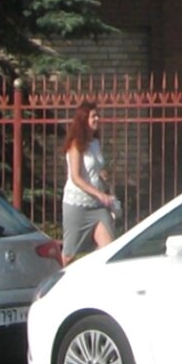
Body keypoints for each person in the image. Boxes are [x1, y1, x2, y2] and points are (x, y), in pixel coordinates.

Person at [61, 101, 118, 265]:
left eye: (97, 115)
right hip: (77, 205)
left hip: (97, 206)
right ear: (83, 119)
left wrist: (102, 174)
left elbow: (94, 167)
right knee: (69, 256)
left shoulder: (95, 143)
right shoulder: (75, 145)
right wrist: (100, 193)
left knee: (109, 250)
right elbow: (76, 178)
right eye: (93, 116)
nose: (97, 119)